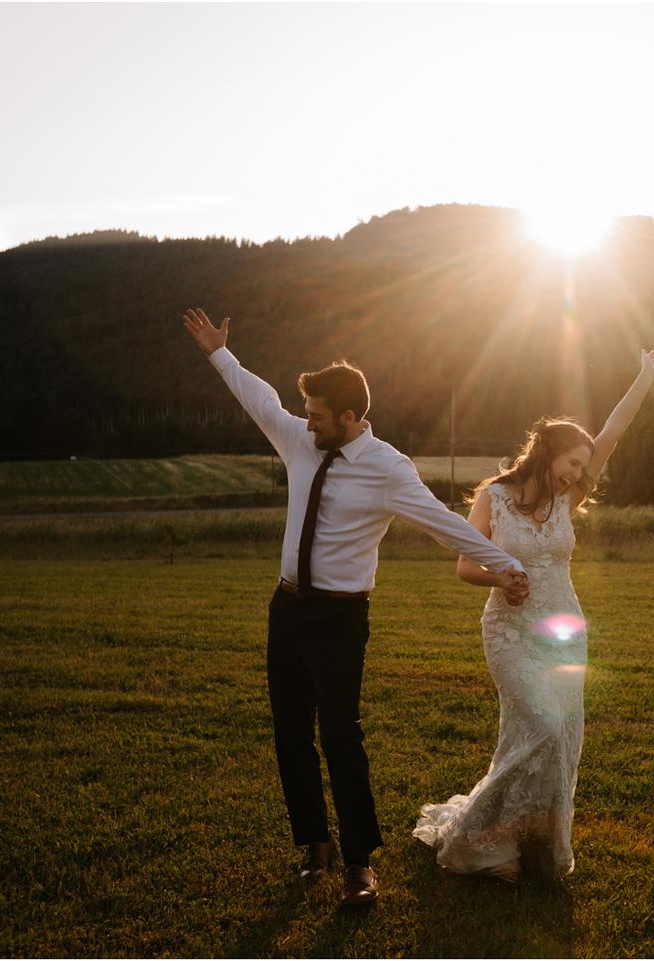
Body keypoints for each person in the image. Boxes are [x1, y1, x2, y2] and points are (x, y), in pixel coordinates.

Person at [181, 307, 529, 907]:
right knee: (290, 733)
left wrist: (506, 567)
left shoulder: (387, 468)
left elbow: (444, 524)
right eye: (307, 414)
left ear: (350, 418)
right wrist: (219, 353)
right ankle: (313, 846)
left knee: (340, 736)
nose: (305, 422)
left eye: (317, 415)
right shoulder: (299, 438)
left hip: (341, 620)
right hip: (286, 609)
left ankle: (359, 865)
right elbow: (257, 398)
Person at [413, 348, 654, 882]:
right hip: (509, 632)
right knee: (541, 729)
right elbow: (465, 565)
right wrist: (499, 576)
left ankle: (525, 848)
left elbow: (614, 434)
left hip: (564, 631)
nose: (578, 473)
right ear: (546, 454)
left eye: (582, 466)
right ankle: (476, 840)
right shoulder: (495, 498)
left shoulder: (565, 501)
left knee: (559, 738)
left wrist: (645, 376)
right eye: (572, 462)